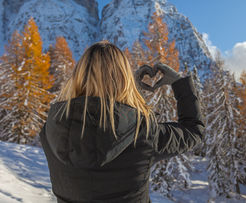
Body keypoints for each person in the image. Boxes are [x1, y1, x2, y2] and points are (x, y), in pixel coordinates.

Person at [39, 40, 205, 203]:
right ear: (124, 80)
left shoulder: (51, 130)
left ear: (79, 76)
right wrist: (179, 83)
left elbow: (98, 118)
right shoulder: (143, 133)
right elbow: (193, 130)